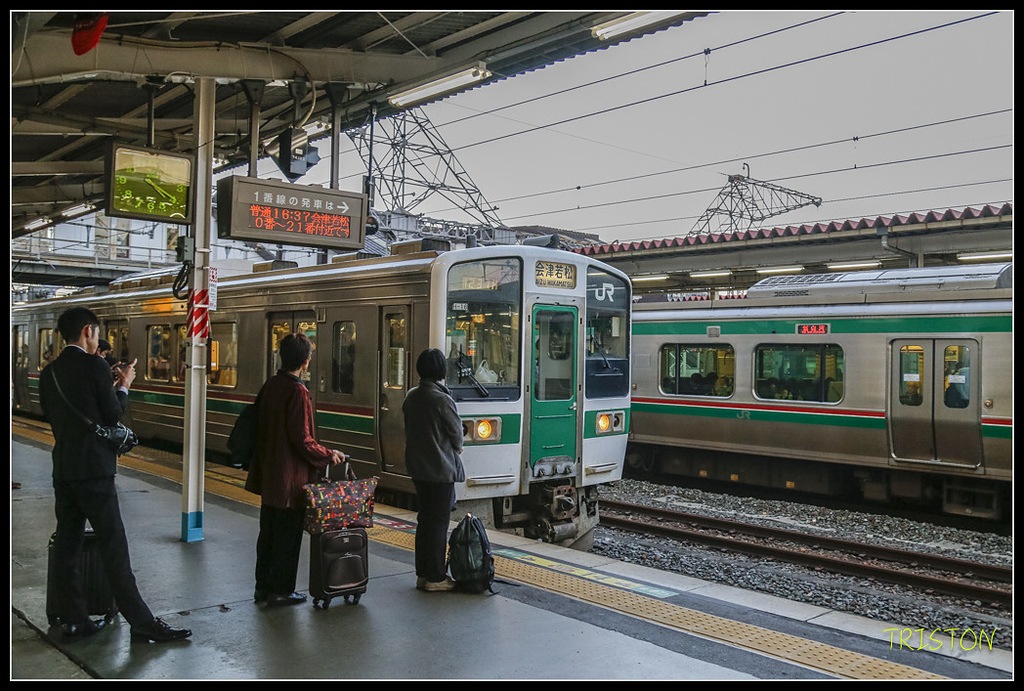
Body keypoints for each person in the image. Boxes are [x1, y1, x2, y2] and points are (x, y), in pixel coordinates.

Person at [39, 306, 192, 643]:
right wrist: (123, 387)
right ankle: (141, 622)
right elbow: (112, 416)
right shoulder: (94, 365)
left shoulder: (49, 373)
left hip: (64, 469)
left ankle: (75, 618)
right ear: (87, 332)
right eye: (95, 332)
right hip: (95, 473)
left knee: (67, 544)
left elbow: (56, 414)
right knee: (114, 546)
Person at [244, 333, 345, 606]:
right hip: (291, 480)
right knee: (287, 539)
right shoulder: (298, 391)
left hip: (270, 476)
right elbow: (302, 439)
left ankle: (262, 588)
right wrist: (328, 454)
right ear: (305, 361)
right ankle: (281, 590)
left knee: (268, 535)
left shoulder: (271, 385)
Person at [402, 348, 465, 592]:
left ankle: (423, 573)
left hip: (418, 468)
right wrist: (457, 448)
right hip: (439, 469)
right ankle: (437, 577)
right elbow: (457, 435)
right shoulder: (441, 399)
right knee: (439, 523)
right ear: (441, 370)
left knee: (425, 521)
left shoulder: (412, 396)